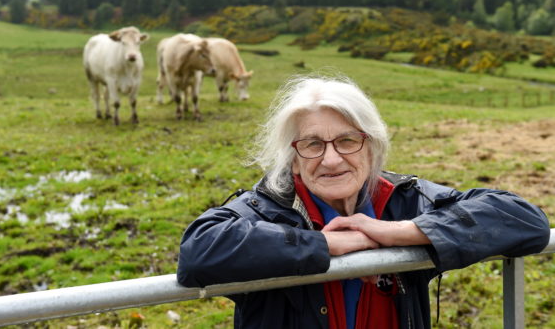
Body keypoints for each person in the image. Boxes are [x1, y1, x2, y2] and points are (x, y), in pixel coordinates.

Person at [177, 75, 550, 329]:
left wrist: (400, 232)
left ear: (371, 147)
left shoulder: (402, 201)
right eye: (312, 145)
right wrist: (325, 243)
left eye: (347, 140)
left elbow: (524, 219)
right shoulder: (268, 208)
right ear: (291, 158)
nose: (332, 159)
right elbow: (198, 251)